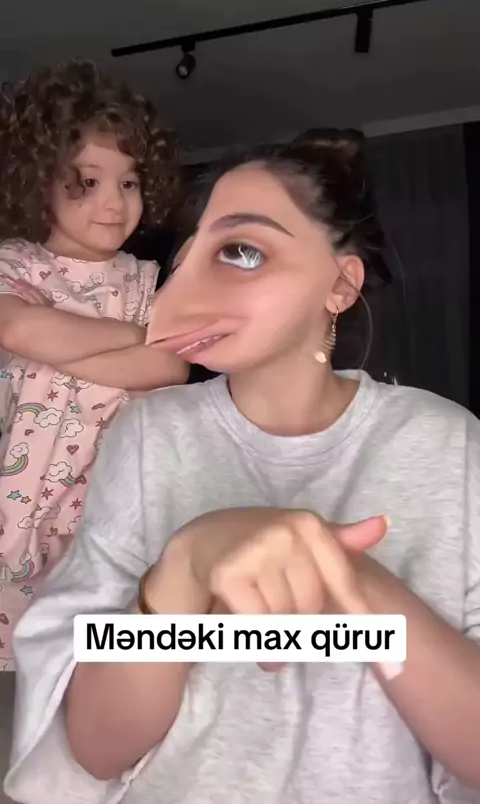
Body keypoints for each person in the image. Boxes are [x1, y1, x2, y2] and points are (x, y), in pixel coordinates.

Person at [5, 130, 480, 804]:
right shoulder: (148, 435)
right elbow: (96, 747)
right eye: (185, 260)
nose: (183, 291)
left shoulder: (448, 443)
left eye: (242, 251)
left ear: (341, 285)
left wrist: (355, 585)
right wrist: (183, 572)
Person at [0, 59, 188, 672]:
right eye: (87, 181)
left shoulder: (146, 280)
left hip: (113, 498)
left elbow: (171, 368)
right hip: (18, 497)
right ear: (39, 181)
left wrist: (71, 348)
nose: (113, 202)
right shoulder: (15, 264)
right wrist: (135, 339)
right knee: (27, 660)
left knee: (105, 651)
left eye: (129, 183)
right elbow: (20, 329)